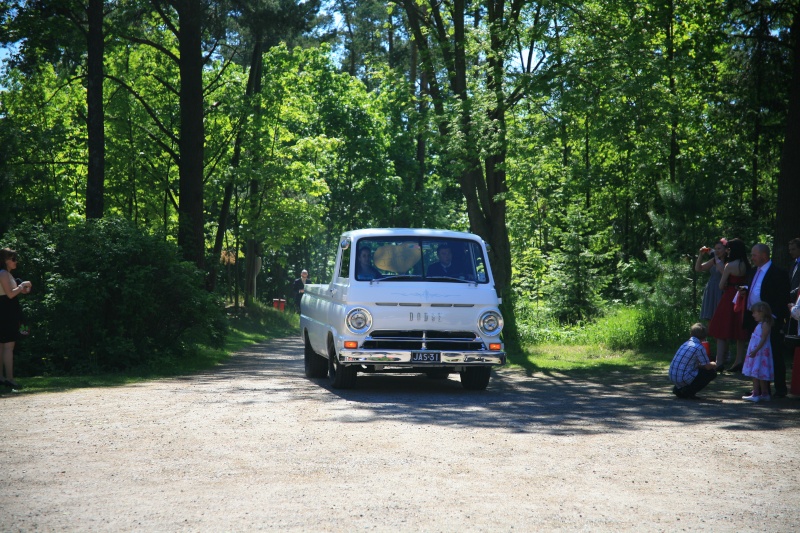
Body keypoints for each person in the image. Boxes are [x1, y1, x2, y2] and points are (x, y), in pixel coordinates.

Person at [742, 243, 790, 397]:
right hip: (754, 318)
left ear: (763, 255)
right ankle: (762, 389)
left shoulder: (778, 273)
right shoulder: (752, 272)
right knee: (758, 354)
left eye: (754, 255)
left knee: (774, 353)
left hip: (771, 320)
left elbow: (782, 297)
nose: (752, 258)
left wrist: (773, 317)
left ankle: (780, 389)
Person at [707, 238, 750, 372]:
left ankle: (719, 361)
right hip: (742, 296)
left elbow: (721, 285)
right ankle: (739, 360)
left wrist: (722, 270)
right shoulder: (747, 265)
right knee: (739, 329)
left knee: (721, 327)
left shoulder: (730, 265)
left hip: (730, 296)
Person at [0, 248, 32, 389]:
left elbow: (15, 292)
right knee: (8, 346)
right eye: (13, 259)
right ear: (5, 260)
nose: (15, 262)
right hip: (6, 311)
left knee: (2, 346)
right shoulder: (3, 273)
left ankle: (2, 378)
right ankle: (10, 379)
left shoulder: (7, 274)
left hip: (7, 310)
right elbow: (10, 294)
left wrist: (23, 288)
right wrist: (22, 286)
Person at [669, 323, 718, 399]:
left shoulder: (685, 344)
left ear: (691, 334)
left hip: (673, 376)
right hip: (683, 378)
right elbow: (707, 367)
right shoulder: (699, 347)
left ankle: (678, 389)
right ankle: (689, 392)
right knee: (711, 373)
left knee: (696, 370)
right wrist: (714, 364)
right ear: (705, 337)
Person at [741, 301, 775, 402]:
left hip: (760, 353)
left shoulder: (765, 324)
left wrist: (755, 350)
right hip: (757, 352)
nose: (753, 315)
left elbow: (763, 339)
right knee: (759, 374)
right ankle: (764, 393)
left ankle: (756, 393)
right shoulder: (760, 324)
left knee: (757, 374)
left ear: (761, 312)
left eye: (754, 313)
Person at [695, 239, 727, 321]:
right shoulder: (714, 260)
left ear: (725, 249)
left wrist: (715, 256)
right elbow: (698, 268)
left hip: (721, 290)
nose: (717, 251)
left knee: (720, 317)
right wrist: (701, 255)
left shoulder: (728, 261)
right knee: (710, 318)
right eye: (715, 249)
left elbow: (723, 271)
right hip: (711, 289)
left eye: (719, 249)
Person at [788, 238, 800, 334]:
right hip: (791, 302)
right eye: (790, 249)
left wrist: (790, 294)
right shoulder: (793, 263)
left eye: (793, 249)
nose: (790, 252)